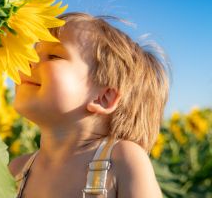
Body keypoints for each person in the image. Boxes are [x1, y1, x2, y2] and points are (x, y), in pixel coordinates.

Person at [9, 12, 170, 198]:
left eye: (53, 56)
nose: (28, 60)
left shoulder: (123, 160)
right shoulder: (17, 170)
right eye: (33, 52)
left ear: (103, 98)